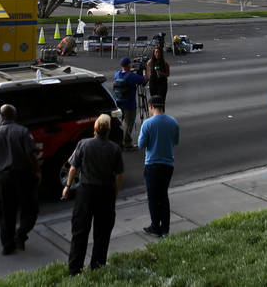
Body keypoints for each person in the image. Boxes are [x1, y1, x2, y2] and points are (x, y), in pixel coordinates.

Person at [63, 114, 124, 276]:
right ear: (109, 130)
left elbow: (73, 168)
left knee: (80, 232)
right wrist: (115, 194)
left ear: (95, 128)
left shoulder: (83, 144)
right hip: (106, 193)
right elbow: (118, 175)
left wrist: (67, 186)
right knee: (102, 233)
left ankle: (74, 270)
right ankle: (97, 266)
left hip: (85, 192)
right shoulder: (114, 149)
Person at [0, 104, 40, 255]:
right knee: (30, 208)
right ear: (15, 115)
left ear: (2, 116)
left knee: (6, 212)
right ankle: (20, 234)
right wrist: (37, 171)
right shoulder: (22, 131)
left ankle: (7, 245)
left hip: (4, 177)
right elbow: (31, 154)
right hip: (23, 175)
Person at [139, 94, 180, 237]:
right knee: (163, 195)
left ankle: (155, 225)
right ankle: (165, 228)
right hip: (168, 164)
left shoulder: (148, 124)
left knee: (153, 196)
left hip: (152, 164)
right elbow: (175, 141)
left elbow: (140, 144)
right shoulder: (173, 122)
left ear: (150, 106)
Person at [114, 57, 146, 149]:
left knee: (121, 123)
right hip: (130, 104)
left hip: (119, 103)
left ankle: (120, 141)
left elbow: (125, 74)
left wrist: (129, 71)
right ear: (128, 65)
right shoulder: (132, 77)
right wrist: (145, 70)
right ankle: (127, 143)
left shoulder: (117, 74)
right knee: (129, 123)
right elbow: (144, 79)